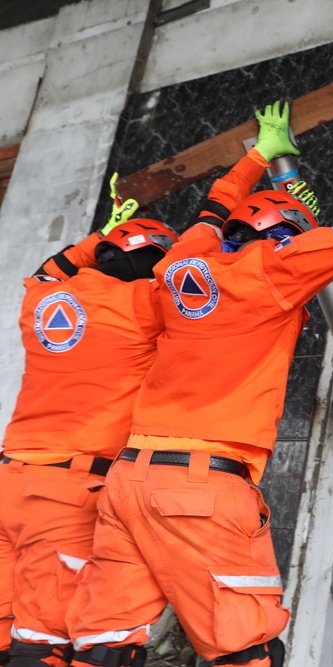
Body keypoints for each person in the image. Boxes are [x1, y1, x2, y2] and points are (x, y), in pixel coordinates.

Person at [65, 103, 333, 667]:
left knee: (105, 649)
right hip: (201, 491)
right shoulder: (277, 270)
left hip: (127, 483)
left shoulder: (179, 266)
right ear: (280, 236)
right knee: (249, 652)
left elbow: (212, 210)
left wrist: (260, 153)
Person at [0, 180, 178, 667]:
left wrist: (99, 234)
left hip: (9, 480)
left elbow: (44, 272)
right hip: (66, 493)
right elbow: (202, 293)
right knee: (43, 642)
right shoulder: (145, 305)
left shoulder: (44, 302)